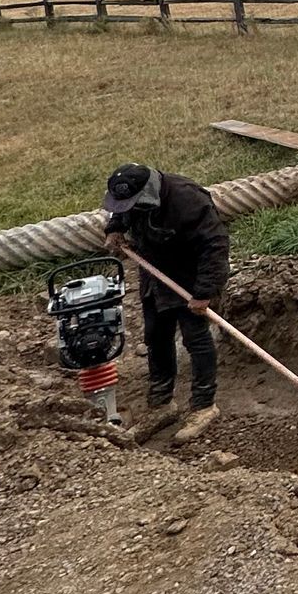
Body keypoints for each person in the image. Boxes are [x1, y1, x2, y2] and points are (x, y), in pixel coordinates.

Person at [101, 163, 231, 413]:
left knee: (196, 339)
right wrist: (115, 229)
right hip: (154, 273)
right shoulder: (134, 197)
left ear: (145, 192)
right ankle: (161, 401)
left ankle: (204, 405)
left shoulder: (187, 200)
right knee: (156, 336)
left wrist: (204, 292)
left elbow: (215, 245)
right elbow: (121, 209)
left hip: (188, 277)